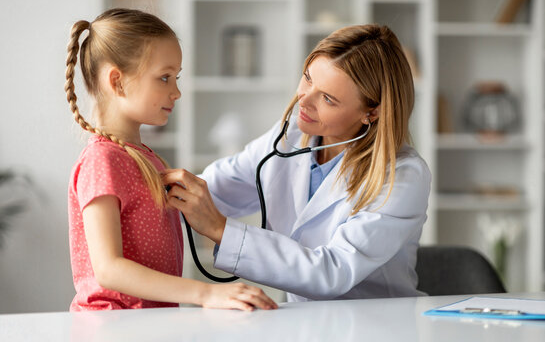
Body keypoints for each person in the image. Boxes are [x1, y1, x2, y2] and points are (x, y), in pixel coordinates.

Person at [163, 24, 432, 302]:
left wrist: (219, 229)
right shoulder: (289, 137)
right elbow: (215, 188)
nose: (305, 100)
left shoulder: (402, 175)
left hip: (377, 324)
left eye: (327, 98)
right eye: (308, 78)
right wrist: (145, 180)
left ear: (371, 112)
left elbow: (332, 271)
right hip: (305, 321)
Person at [65, 8, 277, 311]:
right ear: (118, 81)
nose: (176, 92)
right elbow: (108, 269)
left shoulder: (147, 159)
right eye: (164, 78)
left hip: (147, 323)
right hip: (114, 325)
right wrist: (206, 295)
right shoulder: (102, 161)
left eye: (175, 78)